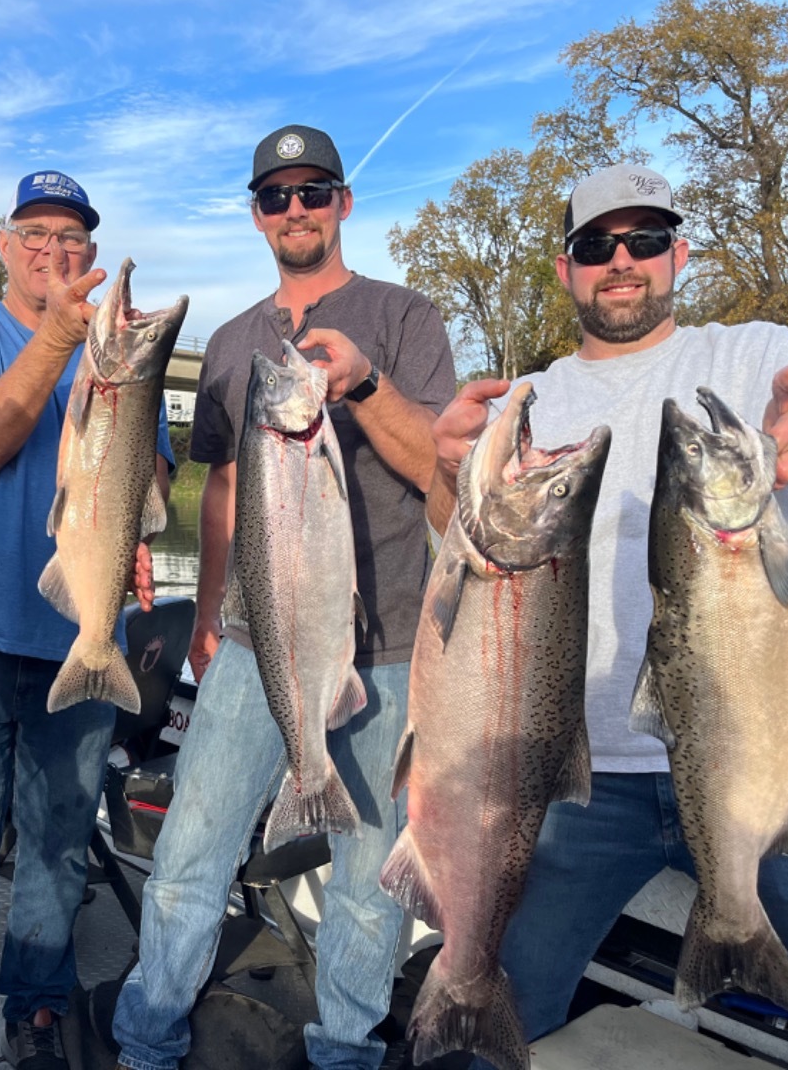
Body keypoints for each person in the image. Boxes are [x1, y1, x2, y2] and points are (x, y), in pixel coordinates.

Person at [426, 164, 788, 1070]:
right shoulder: (526, 400)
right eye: (597, 245)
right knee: (489, 1005)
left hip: (775, 759)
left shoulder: (753, 352)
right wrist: (445, 474)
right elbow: (468, 561)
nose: (622, 261)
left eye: (645, 240)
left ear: (680, 253)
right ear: (566, 268)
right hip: (581, 772)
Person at [113, 125, 456, 1070]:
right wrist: (212, 618)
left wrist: (367, 384)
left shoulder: (405, 316)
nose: (296, 210)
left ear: (344, 203)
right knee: (191, 851)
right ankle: (146, 1040)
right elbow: (219, 488)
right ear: (257, 214)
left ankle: (345, 1050)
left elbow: (440, 470)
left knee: (368, 884)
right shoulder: (229, 343)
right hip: (255, 643)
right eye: (276, 196)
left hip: (385, 649)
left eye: (313, 192)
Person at [0, 171, 176, 1070]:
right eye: (36, 233)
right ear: (4, 245)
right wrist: (63, 334)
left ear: (91, 255)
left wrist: (141, 507)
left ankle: (34, 1017)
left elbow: (156, 476)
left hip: (79, 642)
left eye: (72, 238)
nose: (54, 250)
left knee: (60, 851)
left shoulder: (121, 354)